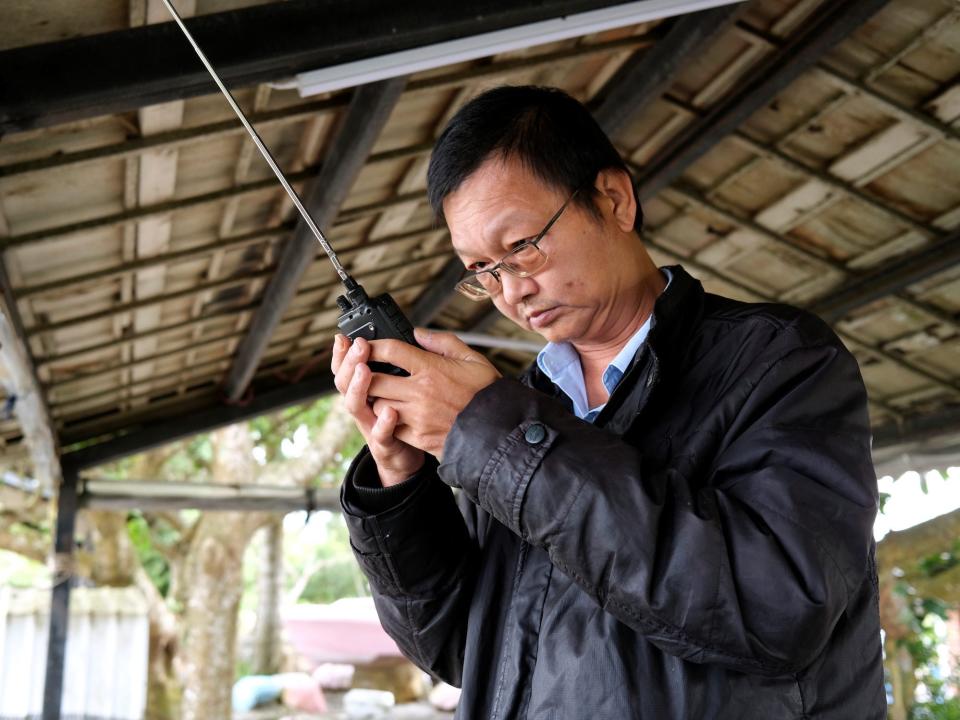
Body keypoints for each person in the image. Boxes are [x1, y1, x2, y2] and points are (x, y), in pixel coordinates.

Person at [331, 85, 886, 719]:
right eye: (481, 269)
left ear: (614, 200)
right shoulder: (522, 407)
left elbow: (779, 607)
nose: (511, 291)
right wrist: (402, 481)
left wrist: (492, 435)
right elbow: (463, 649)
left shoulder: (781, 361)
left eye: (519, 247)